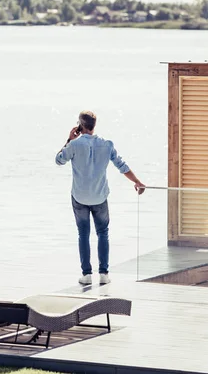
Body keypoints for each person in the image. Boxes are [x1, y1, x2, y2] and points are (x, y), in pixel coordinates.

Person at [55, 111, 145, 285]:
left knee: (83, 234)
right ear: (94, 125)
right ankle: (104, 274)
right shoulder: (107, 144)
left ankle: (87, 275)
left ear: (80, 126)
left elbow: (59, 160)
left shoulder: (74, 145)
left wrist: (69, 140)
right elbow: (122, 166)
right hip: (100, 197)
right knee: (103, 233)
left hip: (80, 197)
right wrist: (137, 182)